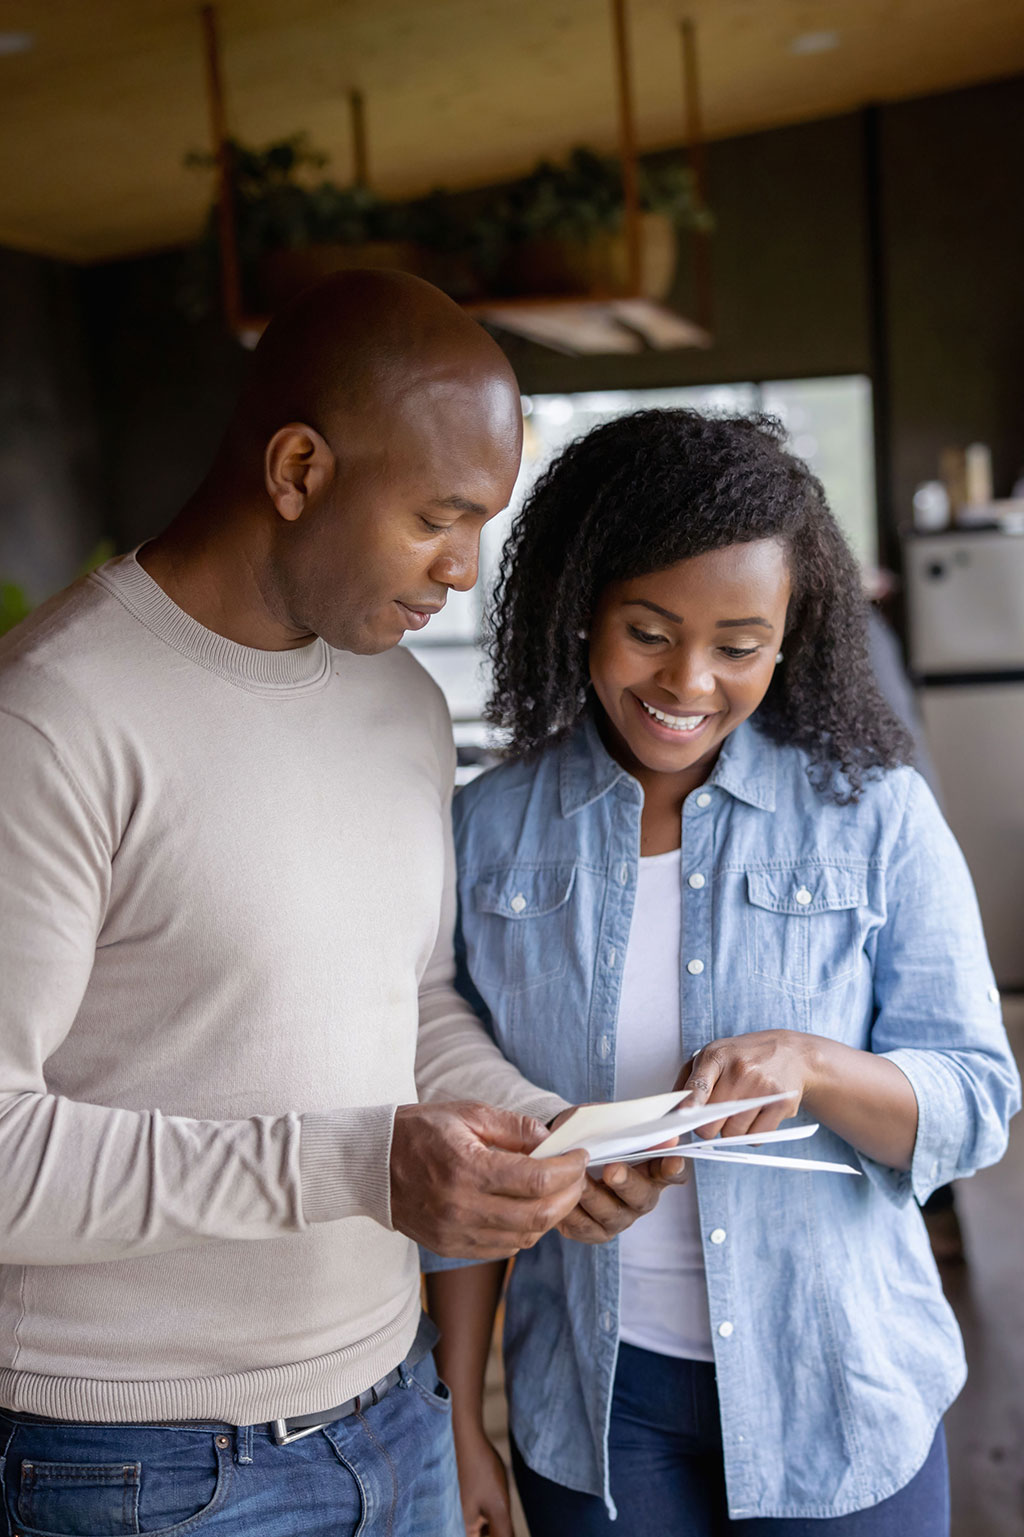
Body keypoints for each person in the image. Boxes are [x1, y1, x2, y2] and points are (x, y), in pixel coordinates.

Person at [0, 271, 670, 1537]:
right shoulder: (50, 718)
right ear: (300, 468)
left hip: (394, 1408)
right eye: (439, 516)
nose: (462, 572)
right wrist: (360, 1163)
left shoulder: (401, 704)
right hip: (130, 1463)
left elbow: (406, 999)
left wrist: (541, 1134)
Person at [424, 409, 1020, 1536]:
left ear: (793, 635)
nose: (688, 680)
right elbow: (461, 1156)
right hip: (596, 1414)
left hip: (842, 1398)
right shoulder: (487, 832)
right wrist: (460, 1419)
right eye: (647, 630)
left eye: (738, 645)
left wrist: (815, 1067)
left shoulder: (873, 813)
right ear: (578, 604)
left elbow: (977, 1100)